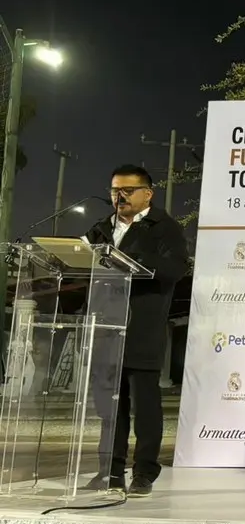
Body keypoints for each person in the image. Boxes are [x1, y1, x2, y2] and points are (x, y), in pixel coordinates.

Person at [85, 164, 190, 497]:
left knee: (144, 405)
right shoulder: (102, 228)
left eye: (128, 190)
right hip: (105, 326)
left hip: (142, 325)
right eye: (115, 190)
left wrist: (132, 257)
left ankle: (144, 471)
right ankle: (110, 470)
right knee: (109, 406)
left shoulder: (164, 227)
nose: (120, 196)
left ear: (147, 193)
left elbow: (175, 268)